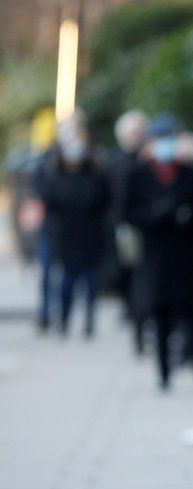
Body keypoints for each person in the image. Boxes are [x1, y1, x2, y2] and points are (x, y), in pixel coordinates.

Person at [125, 113, 193, 391]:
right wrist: (156, 215)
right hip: (156, 256)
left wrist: (186, 215)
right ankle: (163, 372)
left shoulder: (190, 173)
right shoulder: (138, 176)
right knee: (160, 317)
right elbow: (129, 213)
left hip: (185, 255)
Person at [35, 112, 110, 337]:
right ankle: (59, 318)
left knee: (89, 281)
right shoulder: (51, 166)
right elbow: (46, 199)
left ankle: (88, 320)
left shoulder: (94, 168)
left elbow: (104, 198)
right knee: (63, 279)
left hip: (89, 234)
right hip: (62, 235)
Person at [108, 110, 150, 352]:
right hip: (125, 231)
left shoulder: (148, 160)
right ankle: (137, 324)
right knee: (132, 281)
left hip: (149, 230)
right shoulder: (115, 161)